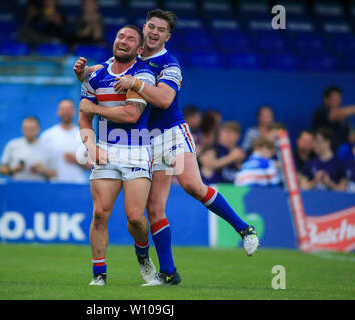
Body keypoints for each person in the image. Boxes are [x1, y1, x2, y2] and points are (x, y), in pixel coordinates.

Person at [74, 9, 259, 287]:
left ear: (167, 36)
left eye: (161, 30)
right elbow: (101, 73)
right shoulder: (129, 57)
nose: (154, 32)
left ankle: (244, 228)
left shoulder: (170, 64)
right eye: (151, 26)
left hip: (171, 133)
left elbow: (163, 99)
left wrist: (135, 83)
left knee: (193, 186)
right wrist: (83, 74)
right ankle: (169, 273)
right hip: (145, 138)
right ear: (144, 29)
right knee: (154, 210)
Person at [76, 25, 157, 286]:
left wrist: (95, 106)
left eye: (131, 38)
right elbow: (84, 120)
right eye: (120, 36)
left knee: (134, 216)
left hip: (136, 149)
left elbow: (131, 114)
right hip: (106, 148)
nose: (123, 40)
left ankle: (144, 258)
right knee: (99, 213)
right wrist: (91, 147)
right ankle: (99, 275)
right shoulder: (95, 76)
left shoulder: (142, 74)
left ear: (139, 49)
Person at [40, 99, 91, 184]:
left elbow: (94, 166)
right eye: (63, 110)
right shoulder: (47, 136)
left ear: (74, 112)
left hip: (78, 185)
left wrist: (76, 160)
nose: (66, 113)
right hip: (54, 185)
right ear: (58, 112)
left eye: (69, 109)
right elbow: (41, 164)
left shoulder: (85, 135)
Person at [0, 116, 56, 182]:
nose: (28, 132)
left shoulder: (47, 148)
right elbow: (1, 170)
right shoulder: (13, 145)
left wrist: (42, 170)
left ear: (38, 129)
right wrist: (15, 169)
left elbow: (54, 174)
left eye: (31, 129)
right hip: (17, 187)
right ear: (22, 129)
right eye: (26, 129)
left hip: (40, 188)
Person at [311, 86, 355, 152]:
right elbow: (333, 115)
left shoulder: (344, 118)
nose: (338, 101)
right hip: (326, 155)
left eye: (339, 98)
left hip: (343, 154)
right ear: (326, 99)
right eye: (335, 98)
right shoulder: (321, 112)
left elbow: (351, 136)